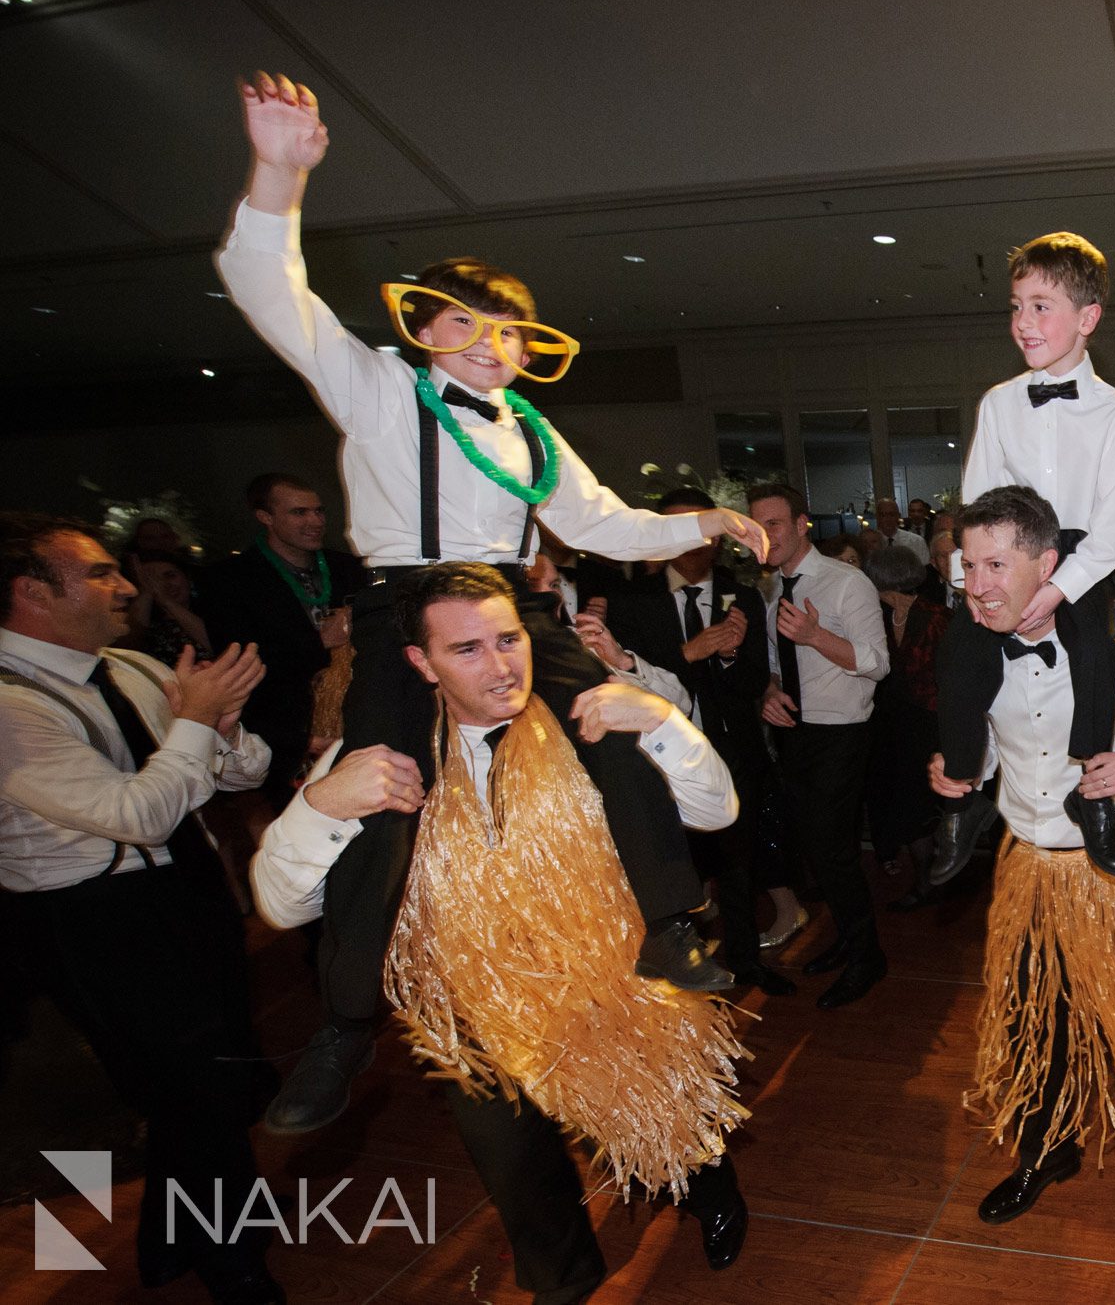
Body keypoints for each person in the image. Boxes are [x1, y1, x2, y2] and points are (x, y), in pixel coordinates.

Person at [217, 72, 764, 1131]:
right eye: (467, 324)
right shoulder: (378, 386)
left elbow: (604, 524)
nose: (489, 345)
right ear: (427, 326)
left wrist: (707, 522)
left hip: (514, 601)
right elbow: (267, 290)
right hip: (403, 608)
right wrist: (279, 169)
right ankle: (341, 1020)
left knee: (616, 728)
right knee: (381, 787)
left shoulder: (529, 429)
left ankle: (668, 921)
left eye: (507, 331)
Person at [251, 564, 750, 1301]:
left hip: (605, 984)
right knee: (514, 1169)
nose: (501, 664)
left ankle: (708, 1192)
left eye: (508, 639)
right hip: (471, 1008)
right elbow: (280, 905)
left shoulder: (589, 720)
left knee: (658, 1118)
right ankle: (563, 1280)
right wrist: (323, 804)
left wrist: (664, 722)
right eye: (468, 649)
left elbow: (717, 812)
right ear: (420, 661)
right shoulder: (375, 753)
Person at [930, 486, 1115, 1271]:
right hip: (1027, 869)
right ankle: (1047, 1150)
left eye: (997, 564)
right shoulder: (971, 640)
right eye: (969, 565)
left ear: (1051, 564)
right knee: (1037, 1020)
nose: (979, 583)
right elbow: (1006, 745)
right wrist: (961, 772)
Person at [0, 513, 282, 1305]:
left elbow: (237, 771)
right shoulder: (10, 706)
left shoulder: (125, 664)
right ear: (31, 593)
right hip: (91, 917)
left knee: (210, 1073)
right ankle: (237, 1267)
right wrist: (193, 722)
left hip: (185, 892)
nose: (124, 586)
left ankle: (175, 1234)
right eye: (97, 574)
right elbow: (139, 814)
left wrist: (220, 725)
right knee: (196, 1087)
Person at [933, 232, 1115, 881]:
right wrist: (976, 578)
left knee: (1092, 653)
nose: (1024, 322)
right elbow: (974, 503)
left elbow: (1113, 530)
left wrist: (1056, 590)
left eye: (1041, 306)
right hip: (1005, 554)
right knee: (959, 654)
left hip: (1079, 558)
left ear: (1087, 318)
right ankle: (967, 793)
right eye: (1016, 306)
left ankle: (1090, 788)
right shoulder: (998, 402)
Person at [584, 487, 794, 996]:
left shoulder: (741, 595)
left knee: (739, 868)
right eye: (675, 526)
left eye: (698, 525)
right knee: (678, 870)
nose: (689, 539)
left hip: (731, 751)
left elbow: (752, 685)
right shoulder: (633, 603)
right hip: (655, 760)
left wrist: (729, 654)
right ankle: (686, 967)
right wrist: (693, 651)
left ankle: (746, 964)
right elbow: (624, 676)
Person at [750, 483, 893, 1009]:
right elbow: (771, 662)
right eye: (756, 525)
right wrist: (769, 690)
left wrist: (816, 637)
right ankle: (851, 940)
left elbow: (879, 664)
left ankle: (867, 958)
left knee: (833, 850)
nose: (764, 536)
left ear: (801, 523)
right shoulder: (770, 588)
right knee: (817, 850)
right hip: (795, 731)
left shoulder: (845, 583)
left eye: (775, 524)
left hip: (841, 731)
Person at [200, 473, 365, 804]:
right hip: (286, 739)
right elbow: (244, 663)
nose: (315, 521)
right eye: (299, 512)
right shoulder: (230, 581)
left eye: (319, 511)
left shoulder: (348, 568)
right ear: (265, 517)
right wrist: (320, 644)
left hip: (354, 722)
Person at [861, 545, 952, 904]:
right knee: (906, 806)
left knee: (922, 805)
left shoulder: (937, 617)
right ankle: (927, 878)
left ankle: (932, 881)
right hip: (891, 727)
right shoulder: (877, 616)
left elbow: (953, 679)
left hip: (930, 726)